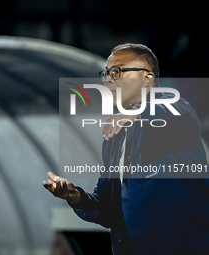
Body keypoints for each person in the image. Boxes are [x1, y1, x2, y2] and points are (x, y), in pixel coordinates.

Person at [42, 43, 209, 255]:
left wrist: (135, 113)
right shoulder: (115, 137)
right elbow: (108, 209)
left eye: (117, 72)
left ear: (147, 79)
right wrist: (75, 197)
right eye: (106, 73)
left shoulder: (178, 111)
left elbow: (172, 114)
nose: (108, 79)